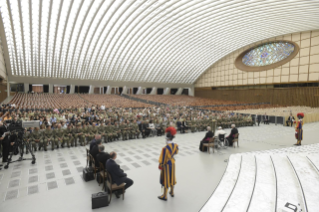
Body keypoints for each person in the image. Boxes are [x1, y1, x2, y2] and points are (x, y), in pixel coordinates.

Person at [158, 126, 178, 201]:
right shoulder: (176, 145)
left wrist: (161, 165)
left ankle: (164, 195)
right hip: (173, 163)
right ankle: (172, 192)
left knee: (166, 179)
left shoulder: (165, 148)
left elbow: (162, 159)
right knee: (172, 177)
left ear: (167, 139)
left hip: (166, 165)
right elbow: (176, 152)